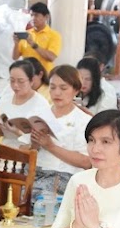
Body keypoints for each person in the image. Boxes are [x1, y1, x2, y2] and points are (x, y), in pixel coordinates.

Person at [28, 65, 94, 206]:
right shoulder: (40, 114)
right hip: (37, 172)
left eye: (63, 88)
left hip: (65, 176)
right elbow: (28, 151)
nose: (57, 93)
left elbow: (86, 162)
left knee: (40, 198)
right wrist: (35, 143)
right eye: (52, 87)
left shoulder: (84, 121)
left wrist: (50, 146)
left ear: (75, 90)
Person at [0, 59, 57, 145]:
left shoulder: (40, 103)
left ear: (31, 81)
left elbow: (45, 139)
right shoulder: (5, 99)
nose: (15, 85)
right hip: (5, 148)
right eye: (12, 80)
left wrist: (17, 132)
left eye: (20, 81)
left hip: (30, 152)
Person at [15, 2, 61, 74]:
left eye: (36, 15)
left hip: (45, 75)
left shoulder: (54, 35)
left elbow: (51, 57)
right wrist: (16, 43)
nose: (33, 18)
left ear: (46, 17)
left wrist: (33, 45)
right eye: (31, 15)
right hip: (27, 74)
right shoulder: (27, 33)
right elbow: (15, 57)